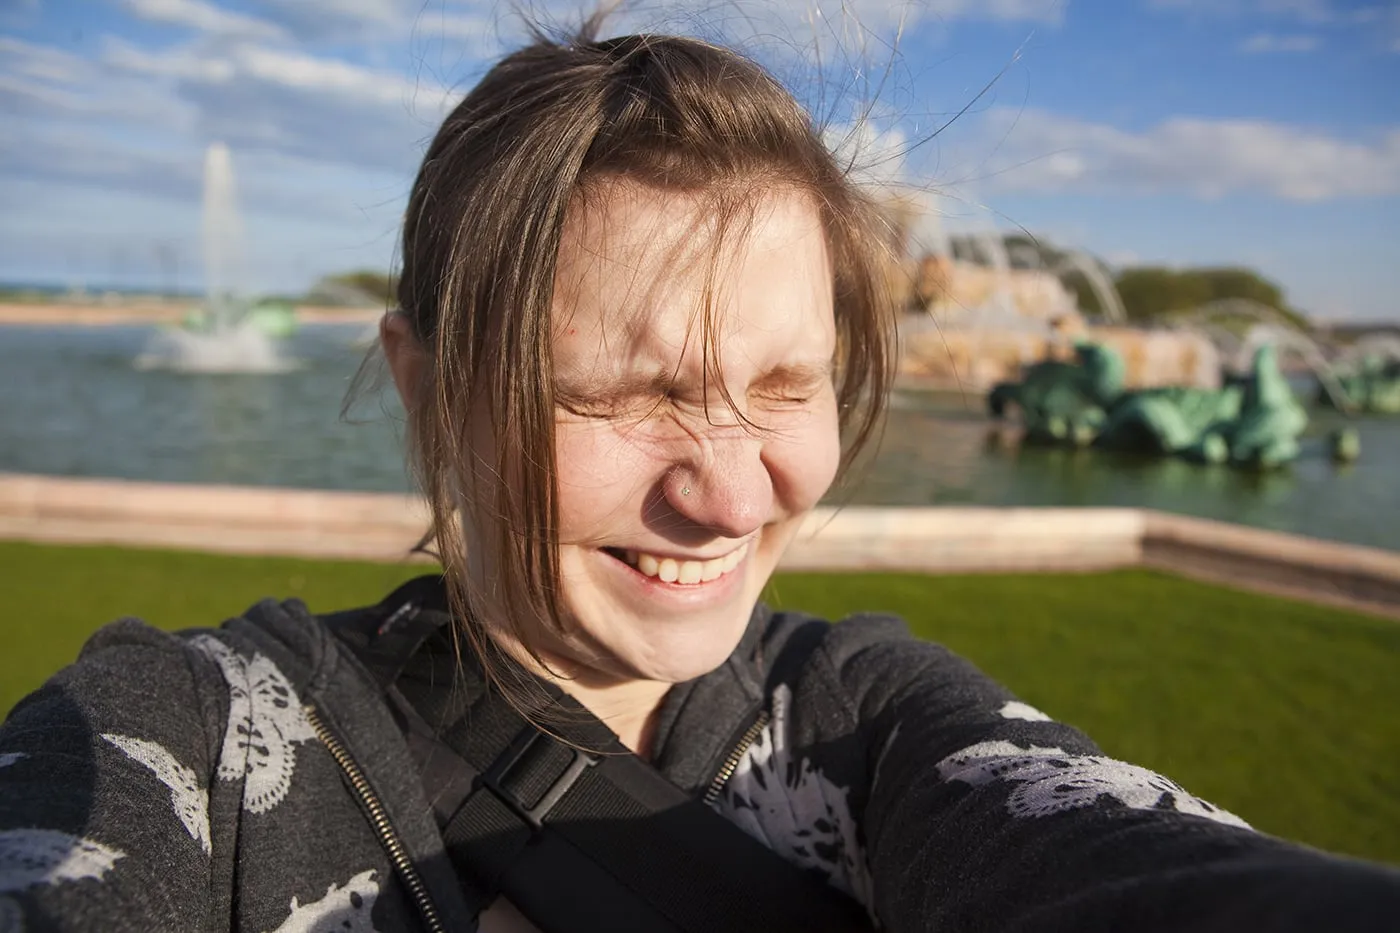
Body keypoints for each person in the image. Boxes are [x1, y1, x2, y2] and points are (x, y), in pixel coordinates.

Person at [2, 17, 1398, 933]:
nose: (735, 500)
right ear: (428, 386)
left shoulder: (874, 730)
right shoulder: (185, 738)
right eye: (626, 395)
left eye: (787, 388)